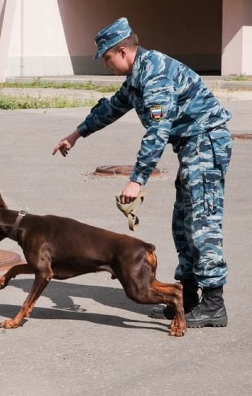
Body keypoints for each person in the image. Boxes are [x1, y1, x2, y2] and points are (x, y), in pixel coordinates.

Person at [52, 17, 232, 328]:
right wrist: (76, 134)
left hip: (205, 143)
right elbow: (111, 108)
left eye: (107, 58)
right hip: (192, 146)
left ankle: (214, 303)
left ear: (122, 51)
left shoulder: (155, 75)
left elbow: (158, 131)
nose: (105, 65)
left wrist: (137, 179)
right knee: (183, 224)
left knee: (202, 224)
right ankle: (186, 299)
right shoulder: (138, 75)